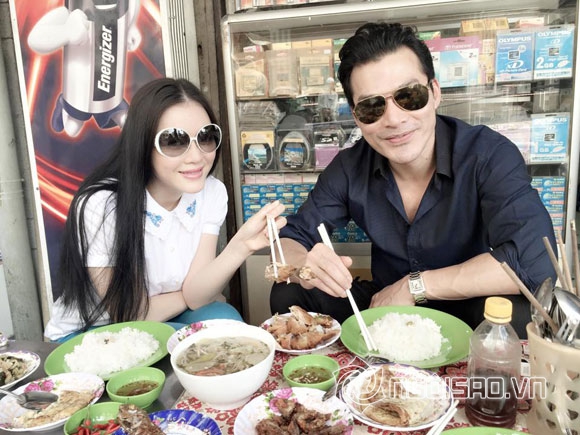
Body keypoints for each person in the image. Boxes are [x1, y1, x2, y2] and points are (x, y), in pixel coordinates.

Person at [270, 22, 557, 337]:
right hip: (386, 304)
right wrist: (306, 267)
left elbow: (536, 260)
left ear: (435, 93)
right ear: (356, 117)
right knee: (288, 293)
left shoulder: (487, 154)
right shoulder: (350, 166)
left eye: (409, 96)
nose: (394, 119)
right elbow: (289, 240)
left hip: (467, 302)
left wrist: (415, 286)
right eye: (372, 107)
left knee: (517, 311)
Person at [45, 77, 286, 342]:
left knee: (227, 323)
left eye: (206, 137)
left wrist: (241, 246)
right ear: (142, 143)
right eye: (174, 141)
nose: (196, 157)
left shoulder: (212, 192)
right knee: (198, 346)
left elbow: (197, 293)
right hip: (97, 328)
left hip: (169, 313)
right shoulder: (102, 204)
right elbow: (129, 313)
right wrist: (187, 297)